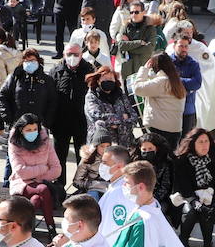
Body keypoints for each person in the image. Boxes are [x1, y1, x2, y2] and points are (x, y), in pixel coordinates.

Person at [171, 127, 215, 247]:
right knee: (192, 212)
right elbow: (183, 186)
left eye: (206, 141)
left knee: (207, 211)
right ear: (193, 144)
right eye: (200, 142)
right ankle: (183, 241)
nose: (204, 145)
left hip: (211, 197)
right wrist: (194, 202)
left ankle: (207, 246)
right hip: (187, 197)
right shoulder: (182, 160)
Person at [9, 115, 62, 237]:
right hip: (21, 184)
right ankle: (52, 230)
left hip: (41, 183)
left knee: (36, 200)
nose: (32, 132)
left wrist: (35, 175)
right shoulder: (15, 143)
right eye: (28, 130)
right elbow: (21, 171)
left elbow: (57, 169)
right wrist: (43, 168)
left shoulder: (46, 141)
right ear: (21, 130)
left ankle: (27, 231)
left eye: (35, 129)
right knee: (43, 189)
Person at [50, 44, 93, 186]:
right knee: (59, 157)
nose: (72, 57)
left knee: (83, 158)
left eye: (75, 54)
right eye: (69, 54)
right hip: (60, 123)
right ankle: (59, 187)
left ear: (81, 55)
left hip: (82, 122)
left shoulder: (90, 71)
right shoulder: (55, 71)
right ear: (63, 55)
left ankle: (80, 185)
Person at [133, 53, 187, 144]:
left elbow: (138, 89)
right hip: (175, 129)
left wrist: (145, 69)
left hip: (159, 128)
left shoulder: (161, 82)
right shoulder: (176, 82)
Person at [83, 65, 139, 147]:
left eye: (111, 79)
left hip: (125, 143)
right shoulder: (91, 96)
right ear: (98, 81)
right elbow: (98, 117)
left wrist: (116, 124)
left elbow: (133, 116)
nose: (108, 81)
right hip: (102, 143)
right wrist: (123, 118)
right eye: (105, 79)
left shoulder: (121, 95)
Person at [96, 144, 136, 238]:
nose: (101, 166)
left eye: (105, 163)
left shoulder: (120, 192)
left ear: (119, 166)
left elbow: (113, 228)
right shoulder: (115, 187)